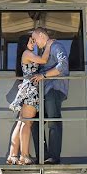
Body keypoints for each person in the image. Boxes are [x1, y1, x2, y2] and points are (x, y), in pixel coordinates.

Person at [7, 34, 52, 165]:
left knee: (21, 122)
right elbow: (44, 60)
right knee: (27, 123)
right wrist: (48, 45)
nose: (33, 43)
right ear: (24, 44)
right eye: (30, 41)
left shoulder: (27, 54)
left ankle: (13, 155)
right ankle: (24, 156)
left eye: (33, 41)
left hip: (27, 89)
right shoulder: (27, 53)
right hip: (31, 90)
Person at [30, 26, 69, 165]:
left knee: (53, 121)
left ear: (41, 35)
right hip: (44, 91)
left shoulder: (56, 46)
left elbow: (63, 66)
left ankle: (54, 157)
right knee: (35, 122)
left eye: (35, 39)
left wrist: (44, 75)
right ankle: (42, 155)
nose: (35, 43)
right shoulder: (44, 51)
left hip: (54, 88)